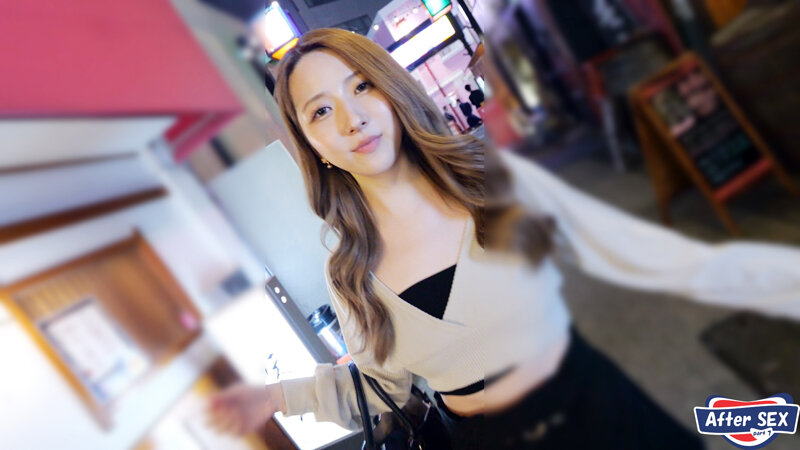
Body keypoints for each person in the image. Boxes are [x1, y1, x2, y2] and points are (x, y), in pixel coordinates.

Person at [206, 28, 800, 449]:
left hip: (598, 408)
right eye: (319, 111)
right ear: (312, 147)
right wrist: (276, 399)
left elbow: (638, 251)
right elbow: (381, 390)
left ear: (391, 89)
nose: (350, 119)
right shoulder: (351, 275)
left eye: (361, 87)